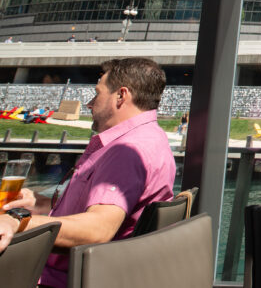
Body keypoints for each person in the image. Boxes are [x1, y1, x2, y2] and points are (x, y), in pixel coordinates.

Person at [0, 57, 176, 287]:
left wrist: (17, 221)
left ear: (121, 96)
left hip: (52, 278)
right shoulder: (151, 138)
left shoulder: (127, 151)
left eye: (98, 92)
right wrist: (41, 203)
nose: (90, 103)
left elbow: (98, 229)